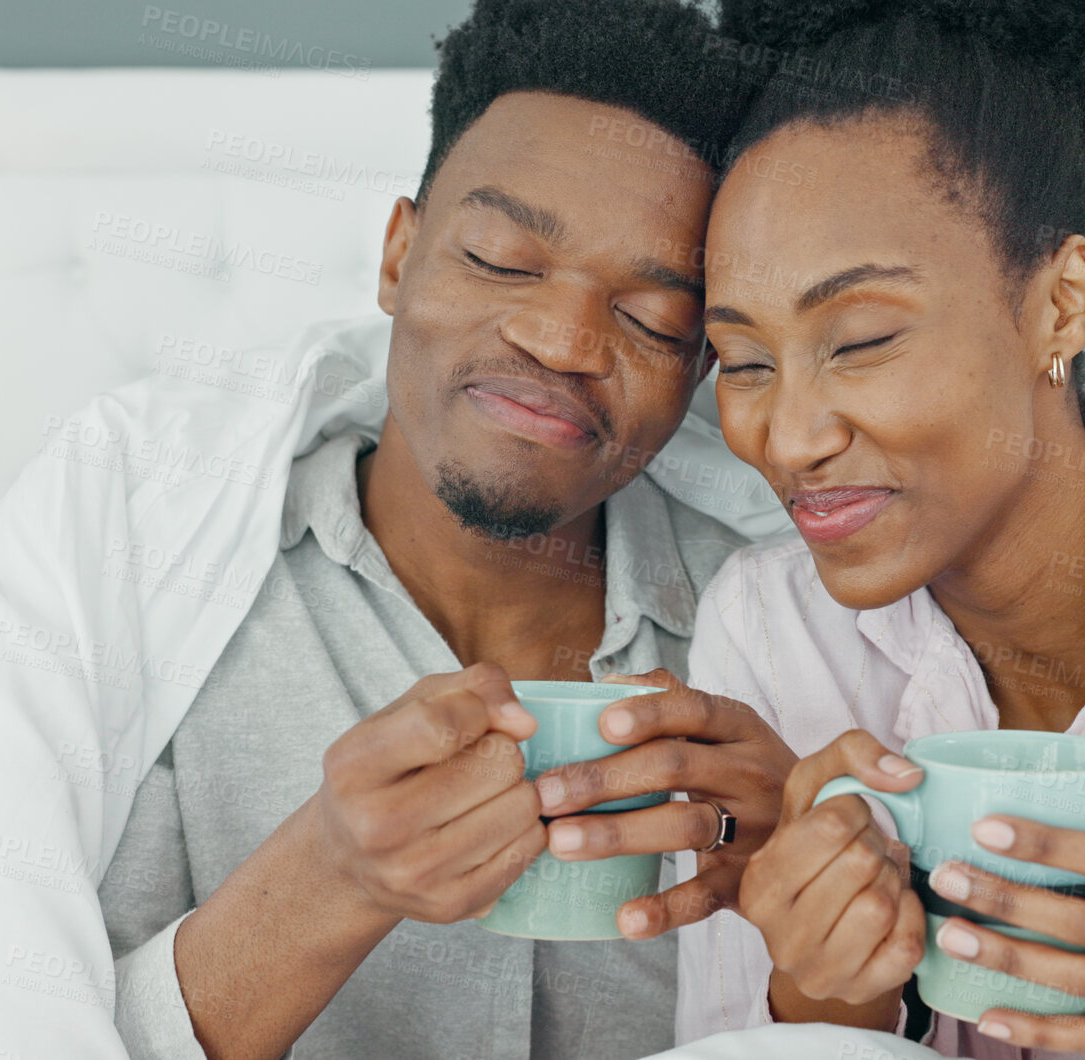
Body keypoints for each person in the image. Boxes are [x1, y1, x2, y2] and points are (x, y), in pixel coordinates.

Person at [98, 2, 796, 1058]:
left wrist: (801, 896)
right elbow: (33, 1019)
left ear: (697, 367)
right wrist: (331, 876)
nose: (561, 340)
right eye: (504, 259)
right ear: (397, 256)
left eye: (652, 319)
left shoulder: (781, 626)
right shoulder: (166, 586)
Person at [674, 1, 1085, 1056]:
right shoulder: (766, 627)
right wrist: (827, 995)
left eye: (858, 339)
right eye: (747, 363)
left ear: (1062, 304)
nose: (790, 438)